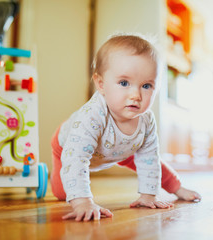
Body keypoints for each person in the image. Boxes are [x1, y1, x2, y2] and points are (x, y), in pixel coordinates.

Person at [50, 33, 201, 222]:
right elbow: (76, 157)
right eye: (124, 83)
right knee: (63, 193)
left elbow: (150, 160)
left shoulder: (146, 121)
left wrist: (149, 195)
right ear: (101, 84)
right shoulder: (93, 115)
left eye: (146, 85)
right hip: (68, 146)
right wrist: (83, 202)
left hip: (120, 149)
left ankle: (177, 188)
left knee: (152, 161)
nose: (136, 95)